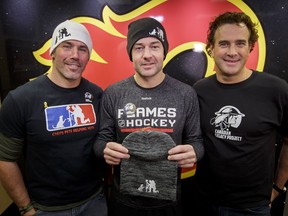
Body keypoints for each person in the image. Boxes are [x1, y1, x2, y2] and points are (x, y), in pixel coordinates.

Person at [93, 17, 204, 216]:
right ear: (130, 54)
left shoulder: (186, 93)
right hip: (124, 202)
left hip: (170, 202)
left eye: (154, 46)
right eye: (139, 48)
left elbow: (196, 142)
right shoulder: (114, 93)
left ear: (164, 52)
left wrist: (195, 152)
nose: (147, 55)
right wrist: (104, 150)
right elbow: (101, 140)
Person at [0, 20, 107, 216]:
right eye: (67, 46)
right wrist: (26, 209)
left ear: (88, 57)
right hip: (47, 209)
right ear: (53, 52)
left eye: (82, 49)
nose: (75, 55)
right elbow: (5, 159)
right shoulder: (20, 99)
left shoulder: (97, 94)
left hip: (95, 202)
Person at [193, 11, 288, 216]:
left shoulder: (277, 90)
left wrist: (277, 188)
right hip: (203, 202)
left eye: (240, 43)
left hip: (253, 207)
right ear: (211, 48)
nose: (232, 52)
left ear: (250, 47)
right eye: (224, 44)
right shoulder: (198, 91)